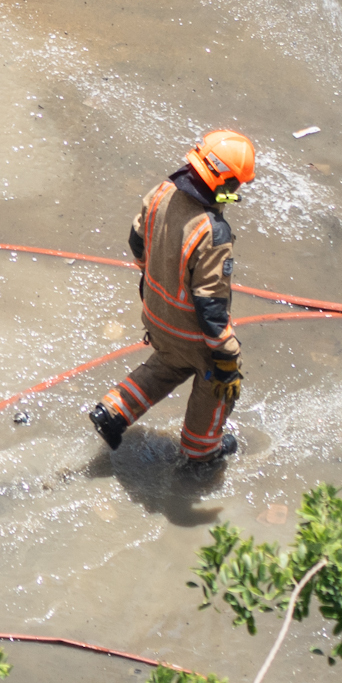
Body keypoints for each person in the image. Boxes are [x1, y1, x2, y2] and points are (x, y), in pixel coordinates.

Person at [89, 128, 254, 468]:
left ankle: (113, 411)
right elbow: (210, 304)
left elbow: (137, 241)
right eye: (236, 185)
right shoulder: (212, 232)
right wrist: (227, 355)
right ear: (224, 183)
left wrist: (157, 276)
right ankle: (201, 451)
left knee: (170, 362)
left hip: (155, 314)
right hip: (190, 330)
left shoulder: (162, 191)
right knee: (216, 379)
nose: (237, 192)